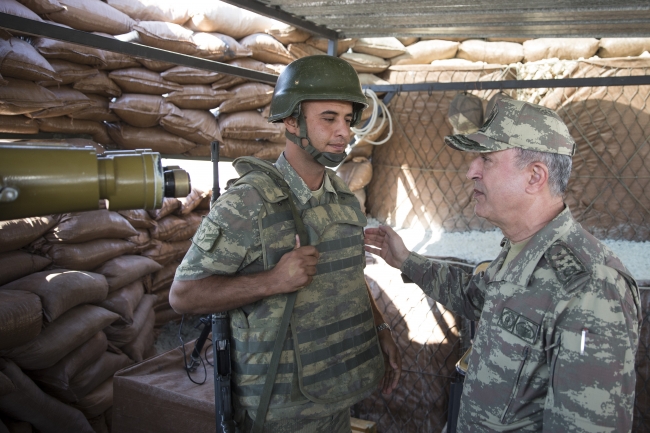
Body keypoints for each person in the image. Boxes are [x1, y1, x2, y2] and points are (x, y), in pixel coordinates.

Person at [364, 98, 641, 432]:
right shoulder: (521, 249)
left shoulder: (593, 287)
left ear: (535, 176)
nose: (471, 171)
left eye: (487, 160)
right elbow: (474, 295)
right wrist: (406, 260)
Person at [170, 55, 401, 433]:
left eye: (348, 119)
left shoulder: (341, 197)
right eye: (329, 118)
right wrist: (272, 281)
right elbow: (183, 295)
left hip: (333, 398)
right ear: (291, 122)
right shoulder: (249, 202)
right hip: (277, 412)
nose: (343, 132)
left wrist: (379, 329)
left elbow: (347, 274)